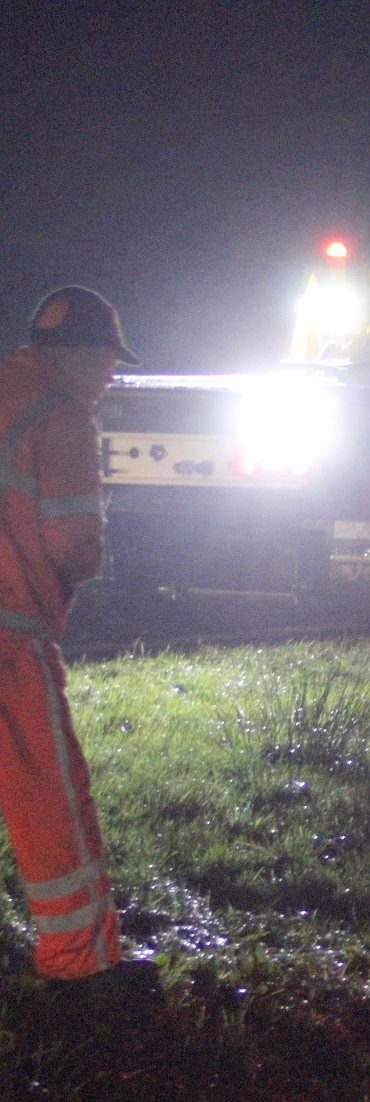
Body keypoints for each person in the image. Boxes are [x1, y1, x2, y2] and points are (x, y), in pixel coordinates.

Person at [0, 287, 136, 986]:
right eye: (110, 362)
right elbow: (75, 541)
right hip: (9, 639)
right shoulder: (62, 415)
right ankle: (82, 970)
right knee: (50, 801)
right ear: (81, 357)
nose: (111, 377)